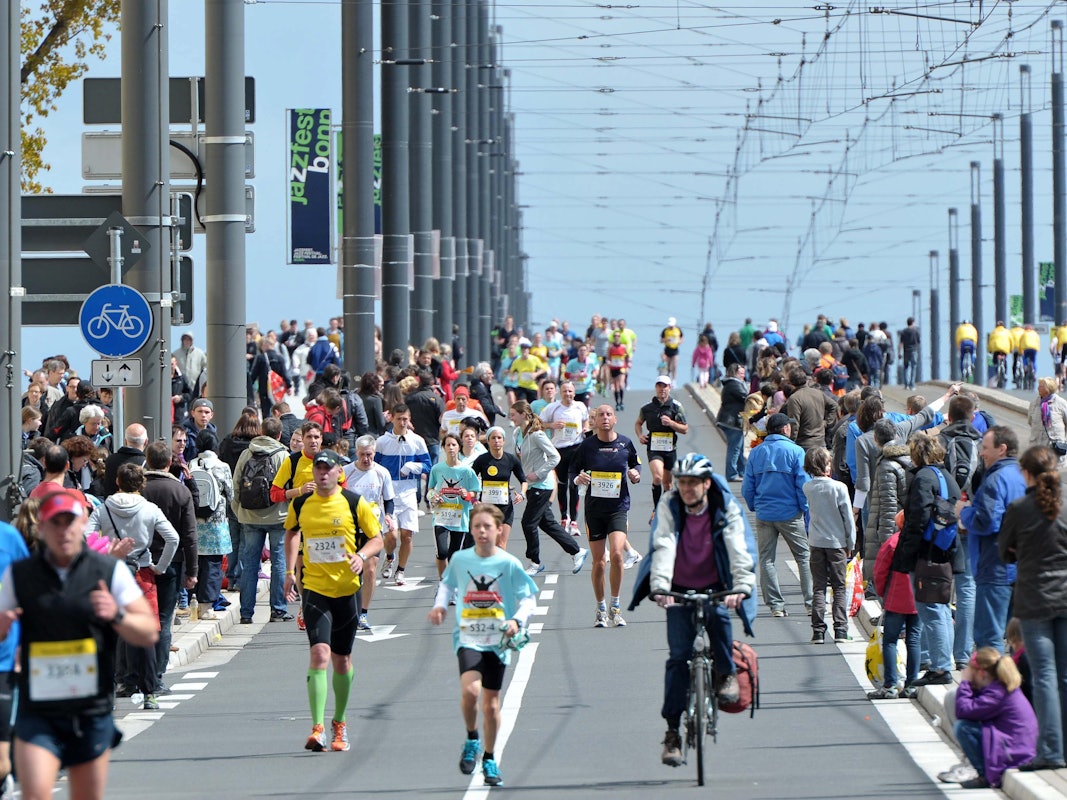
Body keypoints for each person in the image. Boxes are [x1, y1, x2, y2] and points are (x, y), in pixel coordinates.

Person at [0, 490, 156, 800]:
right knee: (35, 793)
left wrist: (117, 614)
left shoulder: (106, 571)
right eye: (54, 523)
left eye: (70, 522)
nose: (63, 531)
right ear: (41, 528)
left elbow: (148, 631)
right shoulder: (21, 575)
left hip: (90, 709)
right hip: (39, 709)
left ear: (83, 524)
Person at [627, 454, 755, 766]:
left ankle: (725, 674)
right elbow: (664, 544)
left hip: (716, 585)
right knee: (677, 659)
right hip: (679, 588)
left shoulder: (723, 508)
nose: (686, 488)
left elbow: (739, 547)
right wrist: (660, 587)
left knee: (721, 619)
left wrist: (741, 587)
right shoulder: (670, 506)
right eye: (682, 482)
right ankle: (672, 732)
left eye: (693, 483)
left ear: (706, 483)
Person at [428, 504, 539, 788]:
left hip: (498, 640)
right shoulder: (461, 560)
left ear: (499, 530)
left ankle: (489, 758)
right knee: (470, 690)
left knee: (490, 706)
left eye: (487, 526)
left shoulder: (508, 563)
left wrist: (516, 620)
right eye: (476, 526)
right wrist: (440, 606)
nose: (481, 531)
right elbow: (446, 584)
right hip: (468, 637)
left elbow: (528, 598)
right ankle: (471, 738)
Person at [283, 449, 382, 752]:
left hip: (347, 590)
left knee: (342, 660)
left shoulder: (353, 502)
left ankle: (340, 723)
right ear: (312, 472)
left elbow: (377, 538)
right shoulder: (301, 503)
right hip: (315, 589)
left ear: (339, 472)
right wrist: (289, 571)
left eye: (328, 469)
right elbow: (291, 534)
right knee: (319, 655)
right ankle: (317, 728)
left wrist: (361, 556)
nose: (322, 473)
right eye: (318, 469)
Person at [86, 464, 179, 709]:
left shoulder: (104, 508)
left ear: (117, 481)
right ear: (141, 484)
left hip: (111, 570)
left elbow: (87, 536)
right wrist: (160, 566)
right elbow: (173, 538)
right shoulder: (149, 509)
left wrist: (104, 553)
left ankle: (116, 684)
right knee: (146, 632)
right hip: (143, 571)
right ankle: (149, 691)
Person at [998, 445, 1067, 771]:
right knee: (1064, 675)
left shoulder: (1020, 508)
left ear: (1026, 472)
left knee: (1044, 676)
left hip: (1034, 598)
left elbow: (1004, 551)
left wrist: (1019, 550)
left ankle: (1051, 749)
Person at [891, 431, 961, 686]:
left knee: (930, 609)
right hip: (945, 551)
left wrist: (904, 556)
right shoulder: (947, 477)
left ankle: (940, 667)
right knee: (941, 608)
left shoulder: (923, 478)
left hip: (926, 554)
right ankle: (944, 662)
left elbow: (917, 520)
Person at [570, 405, 641, 626]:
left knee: (618, 555)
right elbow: (573, 470)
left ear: (615, 419)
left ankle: (615, 605)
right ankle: (600, 608)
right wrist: (577, 479)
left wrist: (635, 474)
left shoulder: (625, 443)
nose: (605, 418)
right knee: (599, 562)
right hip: (594, 510)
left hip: (618, 507)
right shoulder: (587, 446)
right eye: (601, 415)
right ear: (595, 420)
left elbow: (635, 465)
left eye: (609, 414)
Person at [958, 426, 1026, 652]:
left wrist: (964, 512)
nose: (981, 454)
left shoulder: (995, 479)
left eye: (986, 448)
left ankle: (994, 687)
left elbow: (987, 522)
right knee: (1016, 639)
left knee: (989, 640)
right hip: (1018, 568)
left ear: (1002, 449)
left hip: (994, 566)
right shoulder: (1021, 476)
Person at [139, 441, 198, 696]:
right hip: (171, 562)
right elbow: (190, 534)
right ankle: (158, 677)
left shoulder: (138, 490)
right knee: (164, 620)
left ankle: (134, 676)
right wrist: (193, 570)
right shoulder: (180, 491)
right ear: (168, 463)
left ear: (148, 461)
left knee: (139, 620)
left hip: (139, 562)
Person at [741, 413, 813, 617]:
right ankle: (810, 603)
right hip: (790, 513)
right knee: (804, 556)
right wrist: (804, 508)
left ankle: (776, 606)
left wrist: (756, 506)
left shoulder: (756, 453)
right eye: (789, 426)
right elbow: (802, 484)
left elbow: (748, 487)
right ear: (784, 429)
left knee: (766, 559)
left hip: (765, 513)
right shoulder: (796, 451)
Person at [510, 402, 588, 577]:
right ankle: (577, 551)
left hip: (542, 485)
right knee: (547, 523)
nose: (511, 417)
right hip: (531, 486)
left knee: (528, 523)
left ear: (523, 414)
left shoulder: (537, 434)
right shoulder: (517, 434)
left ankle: (535, 562)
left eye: (514, 414)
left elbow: (555, 457)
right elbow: (519, 458)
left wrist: (538, 473)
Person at [232, 416, 293, 625]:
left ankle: (246, 613)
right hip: (278, 516)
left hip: (249, 516)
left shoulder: (246, 453)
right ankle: (278, 609)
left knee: (249, 564)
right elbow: (288, 489)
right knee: (279, 562)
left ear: (260, 432)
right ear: (279, 435)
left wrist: (240, 510)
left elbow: (236, 485)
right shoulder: (284, 455)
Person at [949, 647, 1038, 789]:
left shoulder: (997, 693)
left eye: (971, 672)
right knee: (954, 698)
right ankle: (975, 766)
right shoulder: (998, 686)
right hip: (1012, 744)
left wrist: (965, 683)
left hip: (1015, 753)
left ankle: (984, 775)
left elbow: (963, 710)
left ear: (982, 673)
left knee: (963, 727)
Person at [342, 435, 396, 631]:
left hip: (373, 528)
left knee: (370, 569)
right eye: (363, 455)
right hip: (349, 528)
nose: (366, 459)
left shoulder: (382, 473)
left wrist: (389, 515)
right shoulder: (346, 472)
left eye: (370, 455)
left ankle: (363, 613)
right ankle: (350, 610)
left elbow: (389, 499)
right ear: (356, 453)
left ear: (374, 453)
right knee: (350, 571)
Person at [374, 404, 432, 585]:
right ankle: (390, 557)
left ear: (409, 419)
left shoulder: (417, 441)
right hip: (389, 494)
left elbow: (427, 465)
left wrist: (412, 467)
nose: (402, 422)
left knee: (407, 535)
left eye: (405, 419)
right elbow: (374, 466)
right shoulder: (382, 441)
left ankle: (401, 570)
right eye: (398, 419)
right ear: (392, 418)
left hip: (408, 492)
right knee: (391, 535)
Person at [803, 446, 855, 644]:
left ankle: (817, 631)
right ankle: (840, 629)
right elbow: (847, 518)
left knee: (818, 587)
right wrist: (850, 542)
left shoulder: (807, 487)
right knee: (839, 586)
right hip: (836, 542)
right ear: (826, 465)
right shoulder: (839, 487)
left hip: (816, 541)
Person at [868, 510, 920, 699]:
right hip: (919, 597)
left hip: (897, 596)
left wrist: (882, 593)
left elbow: (880, 571)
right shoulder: (925, 542)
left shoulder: (893, 542)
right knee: (914, 639)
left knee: (890, 640)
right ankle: (912, 685)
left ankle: (889, 685)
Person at [635, 376, 689, 521]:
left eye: (664, 386)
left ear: (669, 387)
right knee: (657, 477)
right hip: (654, 447)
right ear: (656, 388)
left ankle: (665, 509)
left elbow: (685, 429)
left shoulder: (676, 406)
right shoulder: (647, 407)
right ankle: (656, 509)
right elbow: (638, 423)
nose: (661, 389)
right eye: (659, 386)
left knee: (668, 483)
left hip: (670, 448)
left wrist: (671, 423)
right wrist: (640, 435)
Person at [428, 433, 482, 579]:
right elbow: (430, 489)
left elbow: (475, 494)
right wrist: (434, 497)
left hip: (460, 518)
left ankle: (452, 587)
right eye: (448, 445)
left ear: (459, 447)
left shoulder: (467, 471)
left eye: (454, 445)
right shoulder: (437, 469)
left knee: (454, 555)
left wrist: (467, 494)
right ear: (443, 448)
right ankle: (443, 582)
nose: (451, 448)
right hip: (441, 516)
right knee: (442, 552)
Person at [539, 380, 589, 534]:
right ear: (560, 393)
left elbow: (585, 420)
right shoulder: (553, 408)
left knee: (575, 483)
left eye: (570, 391)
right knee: (562, 483)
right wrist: (552, 426)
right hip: (559, 449)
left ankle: (574, 521)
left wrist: (586, 428)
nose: (568, 394)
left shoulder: (580, 406)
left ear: (574, 393)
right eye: (565, 391)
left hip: (577, 448)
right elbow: (539, 423)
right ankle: (564, 517)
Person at [471, 426, 526, 550]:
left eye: (499, 438)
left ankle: (501, 569)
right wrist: (473, 499)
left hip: (505, 507)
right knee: (489, 542)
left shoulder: (511, 459)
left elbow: (524, 480)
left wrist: (522, 494)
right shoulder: (481, 460)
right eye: (493, 438)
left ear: (504, 441)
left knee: (500, 544)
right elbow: (471, 481)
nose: (496, 441)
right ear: (488, 441)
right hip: (487, 507)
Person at [716, 364, 748, 481]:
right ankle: (732, 474)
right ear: (734, 373)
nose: (743, 376)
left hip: (733, 420)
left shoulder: (733, 383)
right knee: (735, 448)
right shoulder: (734, 384)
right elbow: (746, 397)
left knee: (739, 448)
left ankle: (741, 472)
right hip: (731, 421)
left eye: (744, 373)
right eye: (741, 373)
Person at [1028, 377, 1067, 467]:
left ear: (1048, 389)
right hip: (1037, 449)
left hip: (1054, 449)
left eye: (1041, 386)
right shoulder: (1034, 404)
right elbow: (1030, 421)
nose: (1038, 388)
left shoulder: (1061, 404)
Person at [898, 317, 921, 390]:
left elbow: (901, 343)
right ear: (913, 322)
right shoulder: (916, 331)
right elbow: (918, 342)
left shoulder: (904, 331)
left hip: (906, 351)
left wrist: (899, 352)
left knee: (906, 367)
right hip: (914, 350)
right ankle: (912, 385)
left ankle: (906, 384)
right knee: (913, 367)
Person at [987, 321, 1012, 386]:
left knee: (995, 360)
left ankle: (996, 367)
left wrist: (989, 350)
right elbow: (1011, 341)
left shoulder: (994, 332)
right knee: (1004, 360)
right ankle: (1005, 374)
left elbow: (990, 341)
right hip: (1005, 348)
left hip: (996, 348)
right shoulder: (1007, 331)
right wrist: (1010, 350)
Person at [660, 316, 684, 381]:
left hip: (675, 350)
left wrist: (680, 342)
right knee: (668, 367)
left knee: (675, 365)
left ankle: (674, 380)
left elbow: (682, 338)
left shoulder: (678, 330)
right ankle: (667, 379)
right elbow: (661, 340)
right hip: (667, 349)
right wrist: (666, 340)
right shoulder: (665, 331)